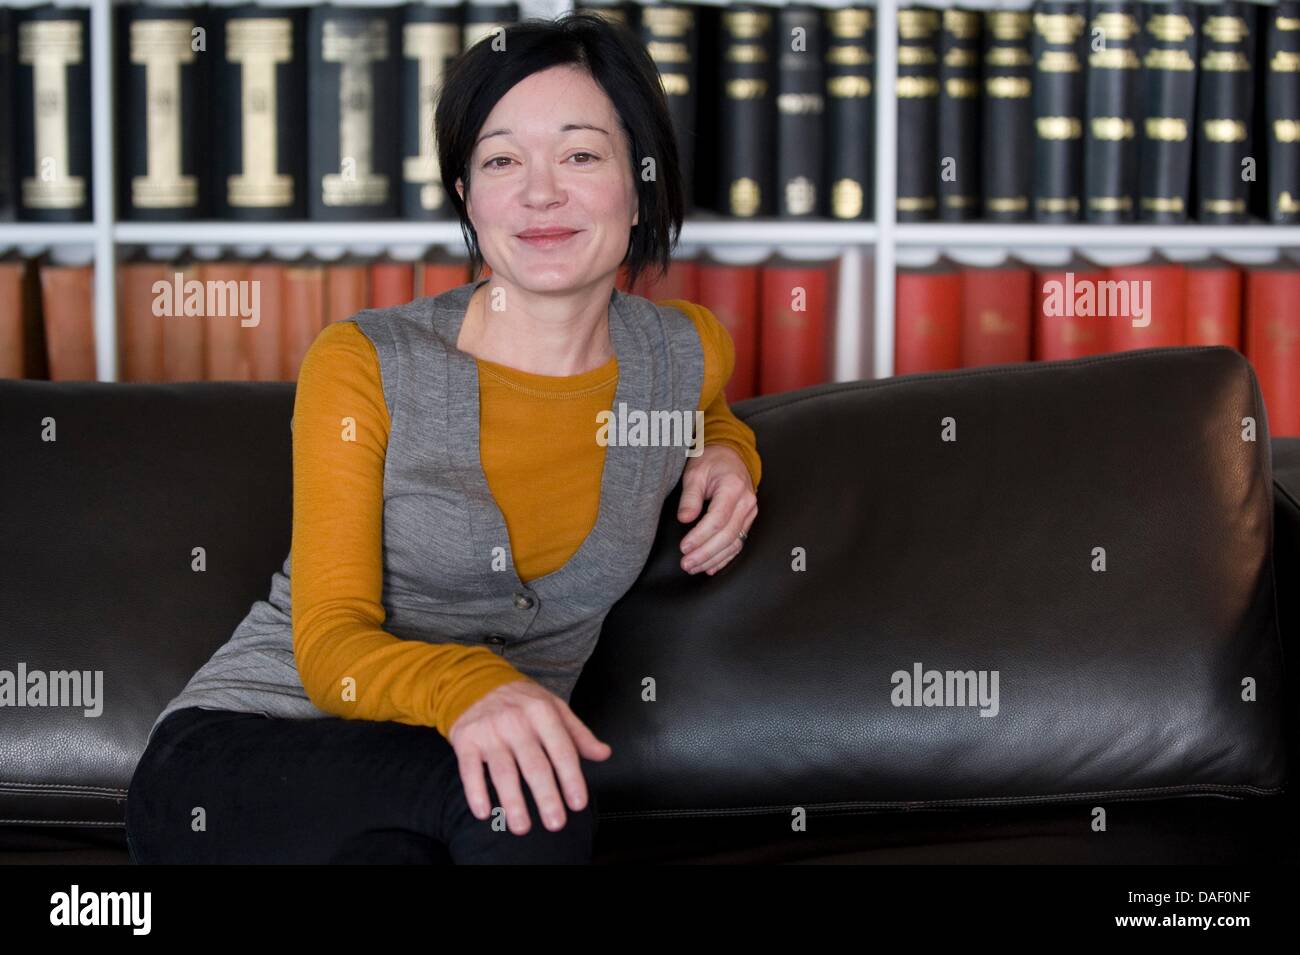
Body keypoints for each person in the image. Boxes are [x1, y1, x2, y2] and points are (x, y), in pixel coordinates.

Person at [125, 11, 761, 865]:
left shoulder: (682, 349)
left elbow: (709, 403)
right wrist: (474, 689)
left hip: (452, 791)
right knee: (529, 805)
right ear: (468, 196)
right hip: (247, 751)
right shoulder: (363, 363)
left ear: (639, 182)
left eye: (580, 154)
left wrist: (727, 452)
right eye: (502, 160)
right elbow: (329, 642)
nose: (541, 193)